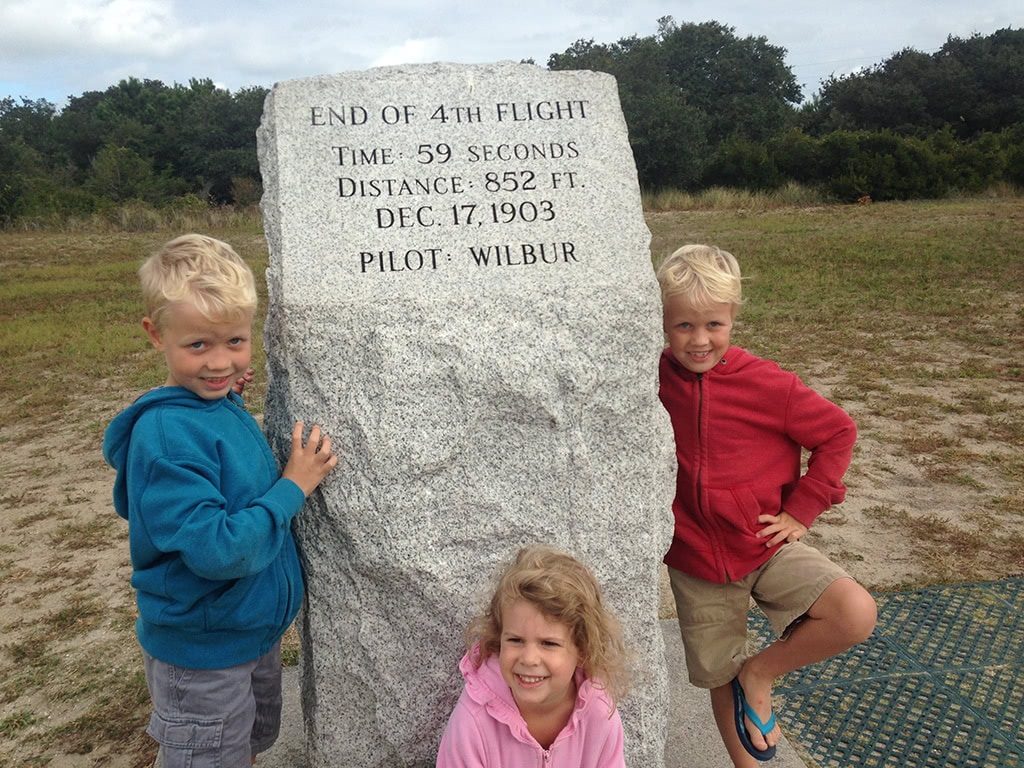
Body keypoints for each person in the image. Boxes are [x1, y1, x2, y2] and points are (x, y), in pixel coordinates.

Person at [103, 233, 338, 766]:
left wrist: (224, 391)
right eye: (198, 346)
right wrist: (293, 487)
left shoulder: (209, 405)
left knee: (241, 749)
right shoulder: (166, 436)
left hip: (247, 633)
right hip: (203, 656)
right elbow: (219, 550)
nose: (219, 363)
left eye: (234, 342)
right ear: (154, 335)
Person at [656, 244, 878, 766]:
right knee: (719, 674)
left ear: (733, 316)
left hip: (765, 542)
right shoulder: (650, 381)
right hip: (695, 561)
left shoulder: (768, 384)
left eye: (714, 323)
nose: (700, 339)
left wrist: (802, 509)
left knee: (854, 612)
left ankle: (762, 673)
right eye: (683, 325)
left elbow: (838, 432)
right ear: (662, 322)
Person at [437, 545, 628, 767]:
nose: (528, 659)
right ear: (499, 640)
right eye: (515, 640)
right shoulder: (473, 721)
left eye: (548, 643)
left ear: (583, 650)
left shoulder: (599, 712)